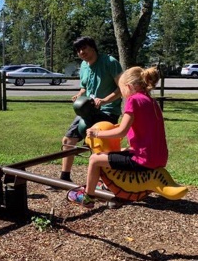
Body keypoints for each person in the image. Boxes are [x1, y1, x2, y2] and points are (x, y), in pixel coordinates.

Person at [67, 66, 168, 208]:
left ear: (128, 86)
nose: (122, 94)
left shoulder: (133, 100)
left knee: (95, 159)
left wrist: (96, 133)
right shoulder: (152, 101)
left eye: (121, 90)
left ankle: (88, 198)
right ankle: (107, 185)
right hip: (159, 157)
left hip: (144, 160)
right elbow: (140, 127)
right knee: (121, 150)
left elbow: (121, 132)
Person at [51, 36, 123, 187]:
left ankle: (108, 183)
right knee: (68, 140)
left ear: (93, 47)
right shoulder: (84, 65)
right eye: (78, 50)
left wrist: (104, 100)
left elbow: (122, 88)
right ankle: (64, 177)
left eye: (84, 48)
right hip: (88, 110)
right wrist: (79, 94)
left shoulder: (109, 62)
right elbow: (85, 87)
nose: (81, 52)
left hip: (108, 111)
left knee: (100, 146)